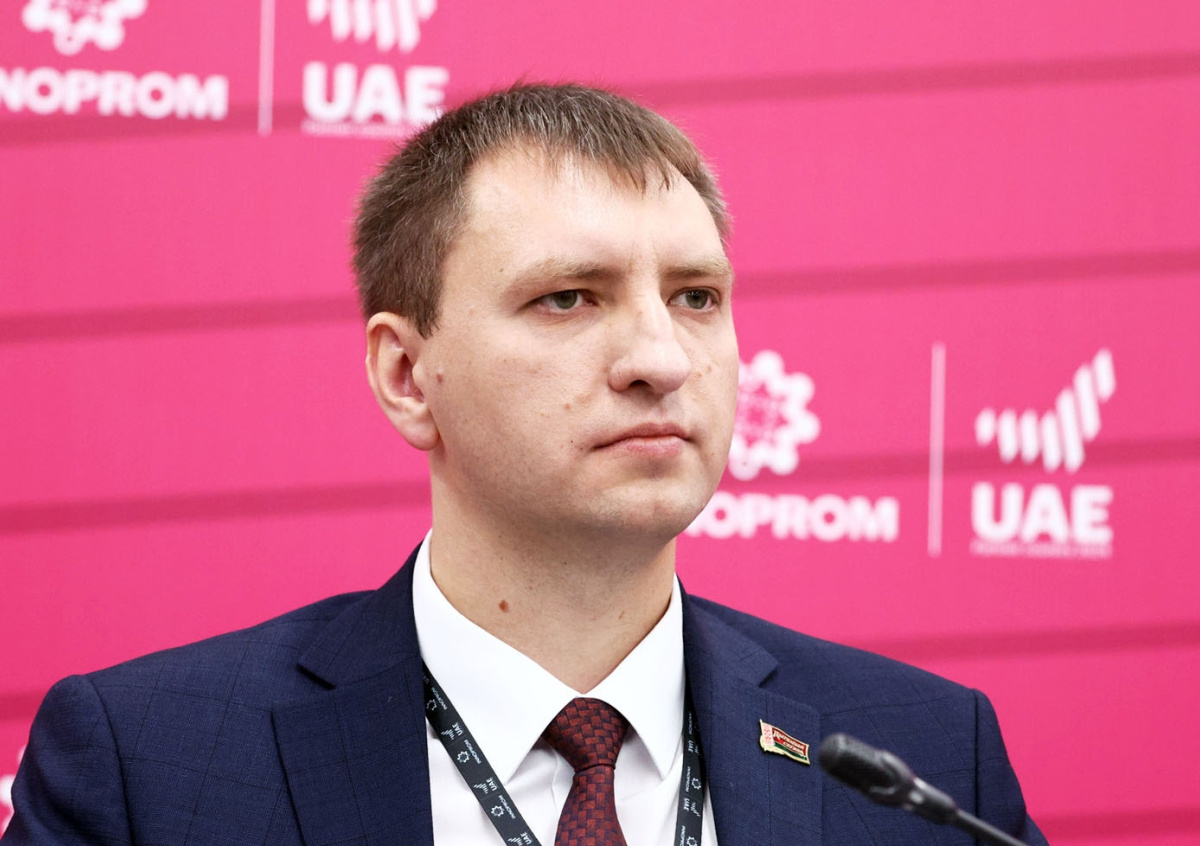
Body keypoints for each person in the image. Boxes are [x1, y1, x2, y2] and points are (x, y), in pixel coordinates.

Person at [6, 83, 1047, 846]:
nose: (660, 359)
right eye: (568, 298)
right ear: (408, 376)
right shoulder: (151, 767)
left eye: (696, 296)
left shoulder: (922, 758)